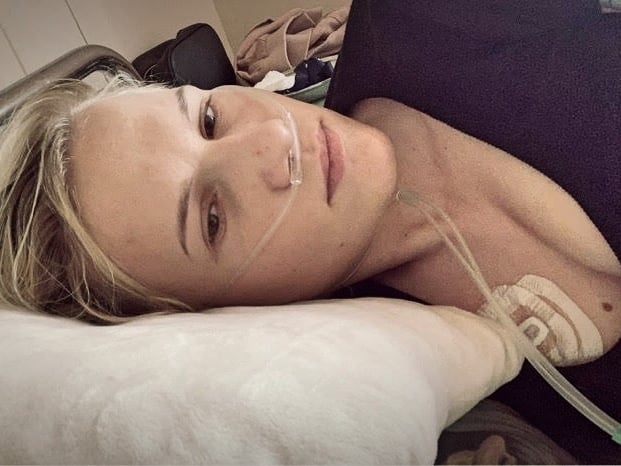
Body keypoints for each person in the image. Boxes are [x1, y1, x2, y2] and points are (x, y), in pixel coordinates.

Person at [0, 0, 618, 462]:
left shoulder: (444, 18)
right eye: (212, 219)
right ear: (221, 315)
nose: (273, 137)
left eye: (209, 118)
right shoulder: (444, 405)